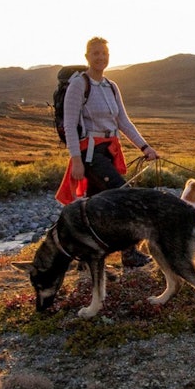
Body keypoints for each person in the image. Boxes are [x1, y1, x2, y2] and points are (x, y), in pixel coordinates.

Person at [55, 36, 159, 266]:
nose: (100, 57)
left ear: (109, 57)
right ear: (87, 57)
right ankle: (129, 254)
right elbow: (70, 125)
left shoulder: (111, 87)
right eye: (95, 53)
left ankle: (86, 259)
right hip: (89, 154)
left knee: (93, 207)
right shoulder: (78, 85)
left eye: (104, 53)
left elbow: (123, 121)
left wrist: (145, 146)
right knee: (125, 194)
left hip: (108, 152)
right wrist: (76, 161)